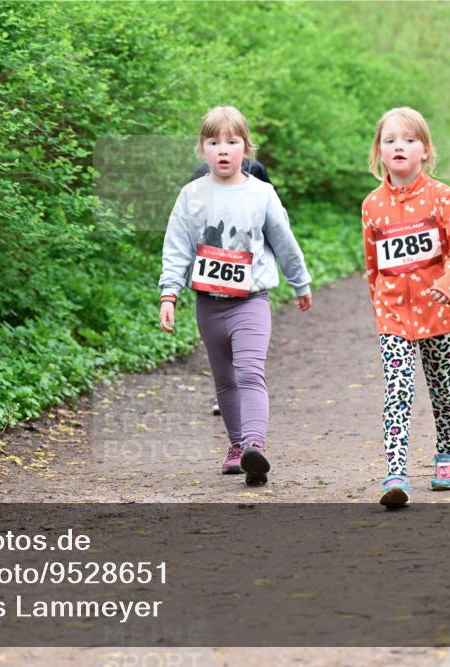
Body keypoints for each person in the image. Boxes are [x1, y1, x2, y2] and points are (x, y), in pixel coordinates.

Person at [158, 106, 312, 485]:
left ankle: (255, 445)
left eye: (232, 142)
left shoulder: (261, 193)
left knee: (249, 372)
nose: (223, 150)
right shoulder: (191, 195)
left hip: (251, 302)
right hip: (208, 304)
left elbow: (284, 241)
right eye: (214, 143)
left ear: (246, 147)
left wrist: (300, 282)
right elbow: (176, 247)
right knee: (224, 380)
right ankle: (236, 446)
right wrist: (169, 294)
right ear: (202, 149)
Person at [361, 107, 450, 508]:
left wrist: (449, 284)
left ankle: (447, 457)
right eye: (390, 140)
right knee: (398, 390)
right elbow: (372, 263)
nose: (399, 146)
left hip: (438, 313)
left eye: (409, 140)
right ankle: (396, 473)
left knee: (442, 388)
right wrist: (379, 302)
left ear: (425, 151)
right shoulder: (372, 205)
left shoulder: (443, 197)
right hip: (393, 315)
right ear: (379, 151)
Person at [189, 157, 276, 418]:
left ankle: (248, 389)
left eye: (232, 141)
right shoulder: (200, 175)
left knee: (246, 355)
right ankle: (226, 393)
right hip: (213, 268)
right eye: (216, 142)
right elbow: (190, 224)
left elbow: (273, 217)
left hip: (246, 268)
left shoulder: (256, 170)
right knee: (222, 354)